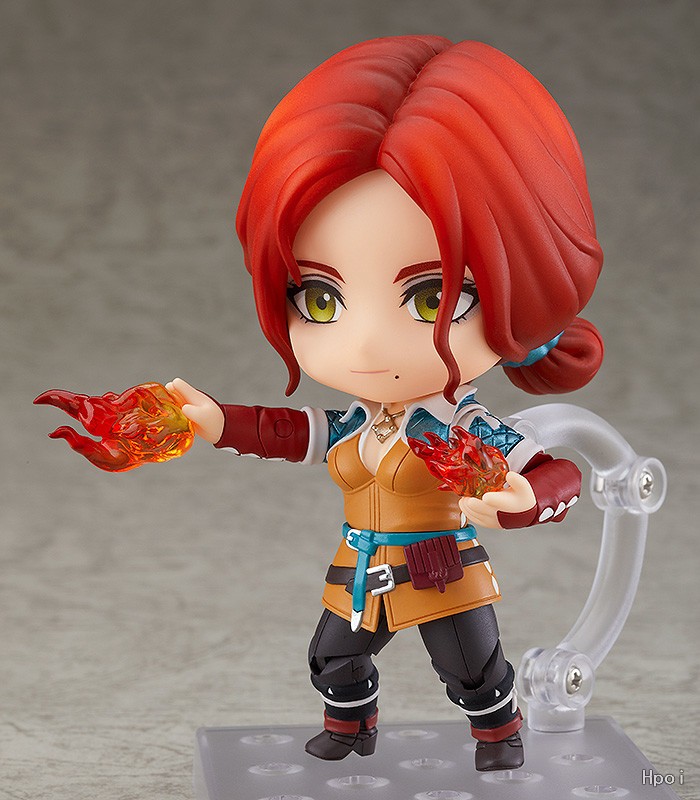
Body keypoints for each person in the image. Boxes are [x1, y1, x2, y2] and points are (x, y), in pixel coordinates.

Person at [167, 36, 604, 772]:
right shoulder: (359, 422)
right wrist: (218, 422)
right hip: (362, 562)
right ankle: (351, 726)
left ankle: (499, 734)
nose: (367, 343)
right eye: (321, 298)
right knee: (330, 658)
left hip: (440, 565)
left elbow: (557, 474)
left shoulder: (463, 424)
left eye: (433, 298)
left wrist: (525, 498)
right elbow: (292, 432)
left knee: (471, 672)